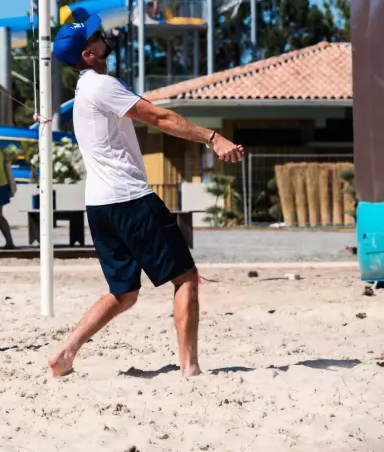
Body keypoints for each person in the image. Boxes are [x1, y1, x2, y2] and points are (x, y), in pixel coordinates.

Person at [45, 22, 244, 379]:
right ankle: (190, 368)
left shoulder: (82, 93)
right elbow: (159, 117)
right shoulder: (102, 85)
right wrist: (212, 137)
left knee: (124, 293)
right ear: (87, 55)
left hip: (100, 206)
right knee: (185, 277)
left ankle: (66, 351)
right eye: (94, 38)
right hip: (129, 199)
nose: (102, 37)